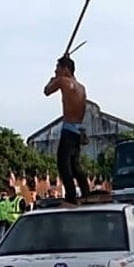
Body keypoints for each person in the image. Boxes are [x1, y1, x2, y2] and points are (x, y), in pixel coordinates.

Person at [43, 55, 90, 205]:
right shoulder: (81, 88)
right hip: (78, 129)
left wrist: (52, 79)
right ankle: (85, 190)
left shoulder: (63, 81)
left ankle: (71, 195)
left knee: (63, 163)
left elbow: (47, 91)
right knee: (75, 165)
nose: (55, 71)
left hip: (69, 129)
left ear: (65, 69)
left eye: (57, 68)